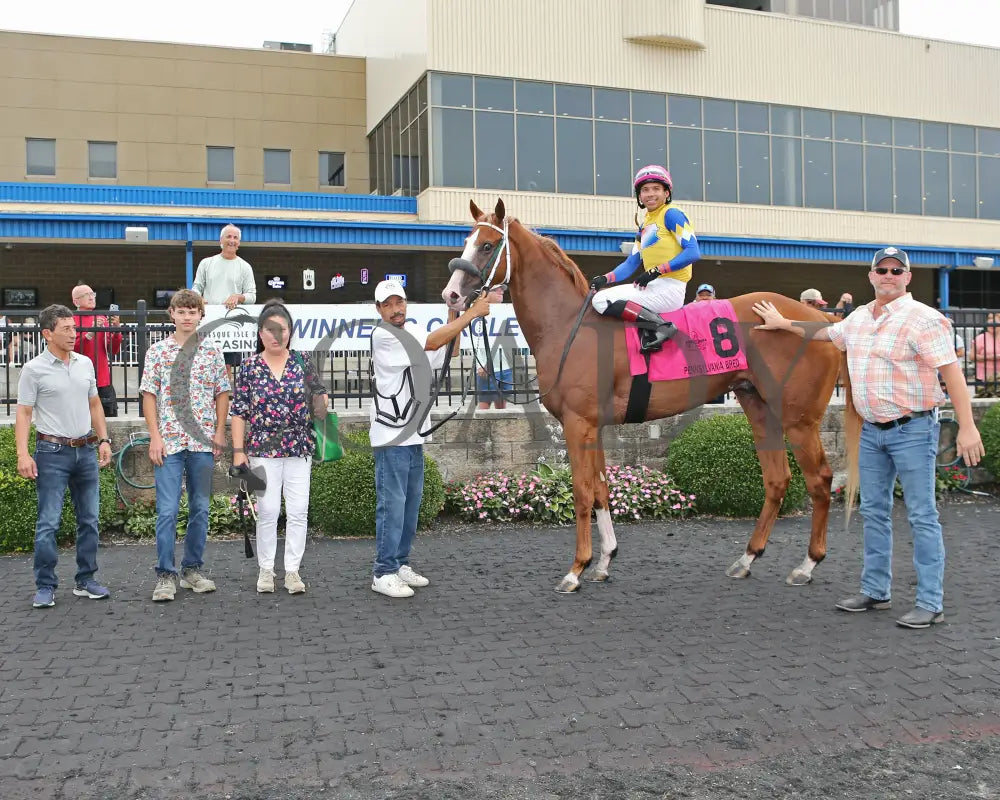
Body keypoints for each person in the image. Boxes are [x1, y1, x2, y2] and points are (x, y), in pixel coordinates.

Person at [753, 246, 984, 629]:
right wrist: (784, 324)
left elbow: (953, 374)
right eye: (882, 269)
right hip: (872, 432)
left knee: (922, 515)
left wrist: (968, 427)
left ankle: (930, 602)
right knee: (874, 512)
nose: (889, 275)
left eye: (897, 270)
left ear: (907, 277)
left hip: (912, 431)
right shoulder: (860, 318)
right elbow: (827, 333)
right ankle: (876, 591)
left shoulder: (924, 319)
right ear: (872, 275)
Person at [370, 279, 490, 597]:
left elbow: (447, 349)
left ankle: (399, 563)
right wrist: (472, 313)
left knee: (410, 506)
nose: (396, 309)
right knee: (392, 505)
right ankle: (383, 572)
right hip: (391, 437)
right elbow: (435, 343)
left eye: (399, 302)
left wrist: (454, 313)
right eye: (388, 304)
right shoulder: (384, 335)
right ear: (379, 310)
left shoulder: (410, 334)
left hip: (412, 435)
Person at [15, 304, 114, 609]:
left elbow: (95, 404)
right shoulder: (33, 369)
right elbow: (24, 412)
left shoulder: (85, 363)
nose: (74, 333)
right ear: (48, 333)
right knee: (48, 522)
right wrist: (22, 454)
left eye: (74, 327)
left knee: (90, 520)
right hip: (51, 453)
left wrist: (104, 440)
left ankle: (85, 580)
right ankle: (45, 585)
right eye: (67, 329)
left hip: (85, 450)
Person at [231, 300, 328, 595]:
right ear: (261, 333)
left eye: (282, 329)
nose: (276, 335)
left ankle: (292, 571)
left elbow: (320, 400)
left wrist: (321, 402)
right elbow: (239, 412)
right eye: (270, 329)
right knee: (269, 510)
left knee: (299, 511)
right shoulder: (249, 366)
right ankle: (266, 570)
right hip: (262, 449)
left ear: (290, 332)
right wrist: (238, 451)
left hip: (299, 449)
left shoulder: (302, 362)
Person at [139, 289, 230, 602]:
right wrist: (154, 436)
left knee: (201, 508)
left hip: (202, 442)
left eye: (193, 311)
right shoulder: (158, 352)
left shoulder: (212, 351)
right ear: (172, 315)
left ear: (201, 315)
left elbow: (222, 394)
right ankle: (165, 575)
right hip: (169, 442)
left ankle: (192, 570)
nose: (187, 317)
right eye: (182, 311)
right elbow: (149, 395)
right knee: (167, 510)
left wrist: (220, 432)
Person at [589, 165, 701, 353]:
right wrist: (605, 278)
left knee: (600, 301)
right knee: (603, 294)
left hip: (671, 288)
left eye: (656, 189)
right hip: (655, 286)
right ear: (639, 196)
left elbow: (693, 252)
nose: (650, 194)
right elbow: (631, 263)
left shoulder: (672, 214)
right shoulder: (645, 226)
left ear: (667, 193)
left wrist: (657, 271)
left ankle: (662, 328)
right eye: (645, 190)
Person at [192, 223, 257, 376]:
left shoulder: (245, 267)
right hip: (208, 323)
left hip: (231, 326)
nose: (232, 240)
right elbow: (196, 287)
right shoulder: (206, 263)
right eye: (229, 236)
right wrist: (199, 298)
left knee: (226, 368)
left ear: (239, 243)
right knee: (205, 364)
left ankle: (225, 399)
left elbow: (252, 296)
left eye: (235, 237)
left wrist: (238, 297)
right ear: (221, 240)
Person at [72, 284, 123, 418]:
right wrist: (89, 333)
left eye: (92, 294)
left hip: (103, 378)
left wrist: (116, 330)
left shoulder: (102, 318)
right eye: (86, 295)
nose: (91, 297)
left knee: (109, 418)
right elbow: (72, 348)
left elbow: (113, 350)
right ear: (76, 301)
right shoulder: (71, 319)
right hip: (79, 378)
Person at [472, 284, 513, 410]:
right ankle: (479, 429)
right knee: (485, 403)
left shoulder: (507, 311)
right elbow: (473, 340)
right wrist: (480, 365)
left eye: (501, 289)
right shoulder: (477, 312)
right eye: (496, 290)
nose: (501, 291)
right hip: (487, 368)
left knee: (502, 404)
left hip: (506, 366)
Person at [970, 312, 1000, 396]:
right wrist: (990, 357)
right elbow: (972, 356)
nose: (992, 327)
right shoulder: (980, 338)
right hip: (982, 377)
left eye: (995, 324)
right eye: (989, 325)